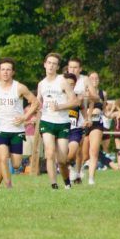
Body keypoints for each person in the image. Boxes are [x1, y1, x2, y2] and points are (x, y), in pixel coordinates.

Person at [0, 58, 39, 189]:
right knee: (3, 156)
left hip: (16, 130)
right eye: (3, 70)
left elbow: (35, 103)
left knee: (17, 164)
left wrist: (25, 117)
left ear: (13, 72)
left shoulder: (20, 87)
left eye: (8, 70)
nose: (5, 72)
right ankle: (8, 185)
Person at [36, 53, 78, 189]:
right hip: (47, 121)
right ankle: (53, 185)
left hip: (62, 123)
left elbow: (75, 101)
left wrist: (59, 106)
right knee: (49, 153)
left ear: (58, 67)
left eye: (54, 64)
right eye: (49, 63)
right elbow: (38, 102)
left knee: (62, 160)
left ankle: (67, 183)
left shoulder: (62, 81)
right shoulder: (41, 84)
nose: (51, 66)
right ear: (44, 64)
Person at [65, 57, 96, 184]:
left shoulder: (84, 80)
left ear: (80, 69)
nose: (73, 69)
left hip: (80, 118)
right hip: (63, 118)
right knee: (67, 149)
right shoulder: (62, 80)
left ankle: (76, 172)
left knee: (79, 149)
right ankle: (69, 169)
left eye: (75, 67)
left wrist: (89, 96)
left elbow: (95, 97)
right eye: (70, 67)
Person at [83, 71, 108, 185]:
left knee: (94, 151)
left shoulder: (103, 93)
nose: (94, 80)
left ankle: (91, 177)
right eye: (92, 78)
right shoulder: (83, 92)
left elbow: (104, 110)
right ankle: (78, 169)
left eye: (96, 78)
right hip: (84, 123)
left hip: (97, 123)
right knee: (84, 154)